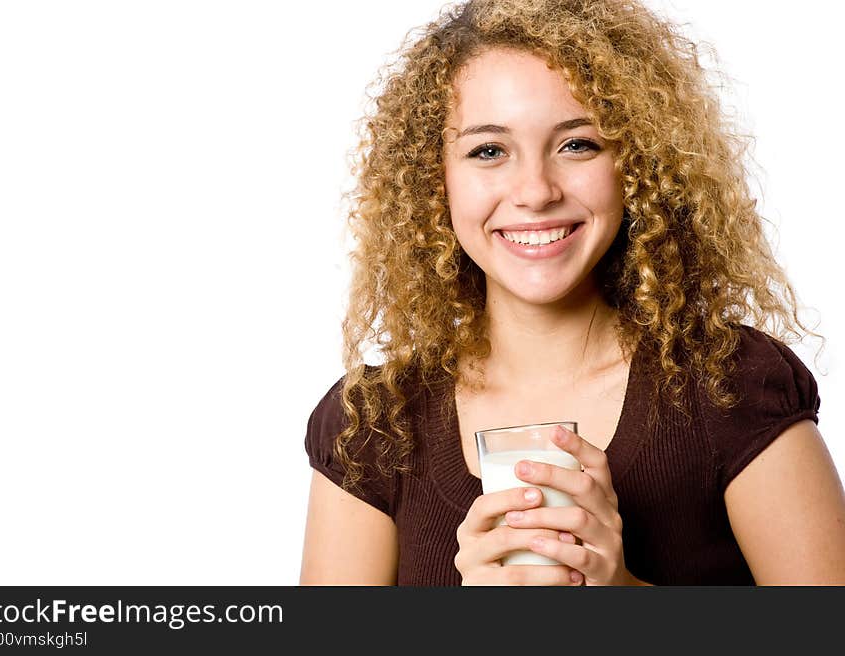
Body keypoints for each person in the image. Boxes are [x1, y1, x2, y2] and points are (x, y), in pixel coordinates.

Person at [298, 0, 845, 586]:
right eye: (489, 151)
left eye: (577, 144)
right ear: (437, 181)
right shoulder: (374, 425)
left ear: (635, 164)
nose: (535, 192)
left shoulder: (730, 384)